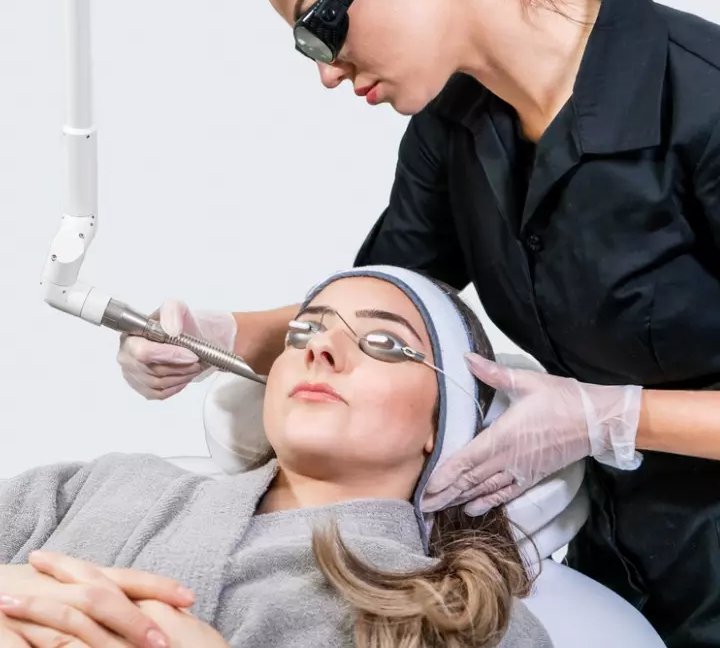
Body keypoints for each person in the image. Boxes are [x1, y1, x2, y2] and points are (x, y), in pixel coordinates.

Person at [117, 0, 720, 646]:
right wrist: (219, 336)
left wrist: (612, 416)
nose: (327, 70)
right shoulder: (456, 126)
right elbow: (380, 312)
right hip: (625, 569)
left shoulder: (702, 102)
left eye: (321, 23)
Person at [0, 267, 551, 648]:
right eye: (305, 329)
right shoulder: (106, 483)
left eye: (384, 343)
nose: (319, 347)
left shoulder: (463, 616)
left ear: (447, 426)